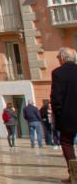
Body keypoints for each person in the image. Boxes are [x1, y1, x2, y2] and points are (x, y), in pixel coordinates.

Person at [51, 47, 77, 183]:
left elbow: (56, 98)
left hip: (68, 116)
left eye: (58, 58)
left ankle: (75, 175)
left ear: (62, 58)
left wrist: (58, 115)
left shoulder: (58, 73)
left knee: (67, 143)